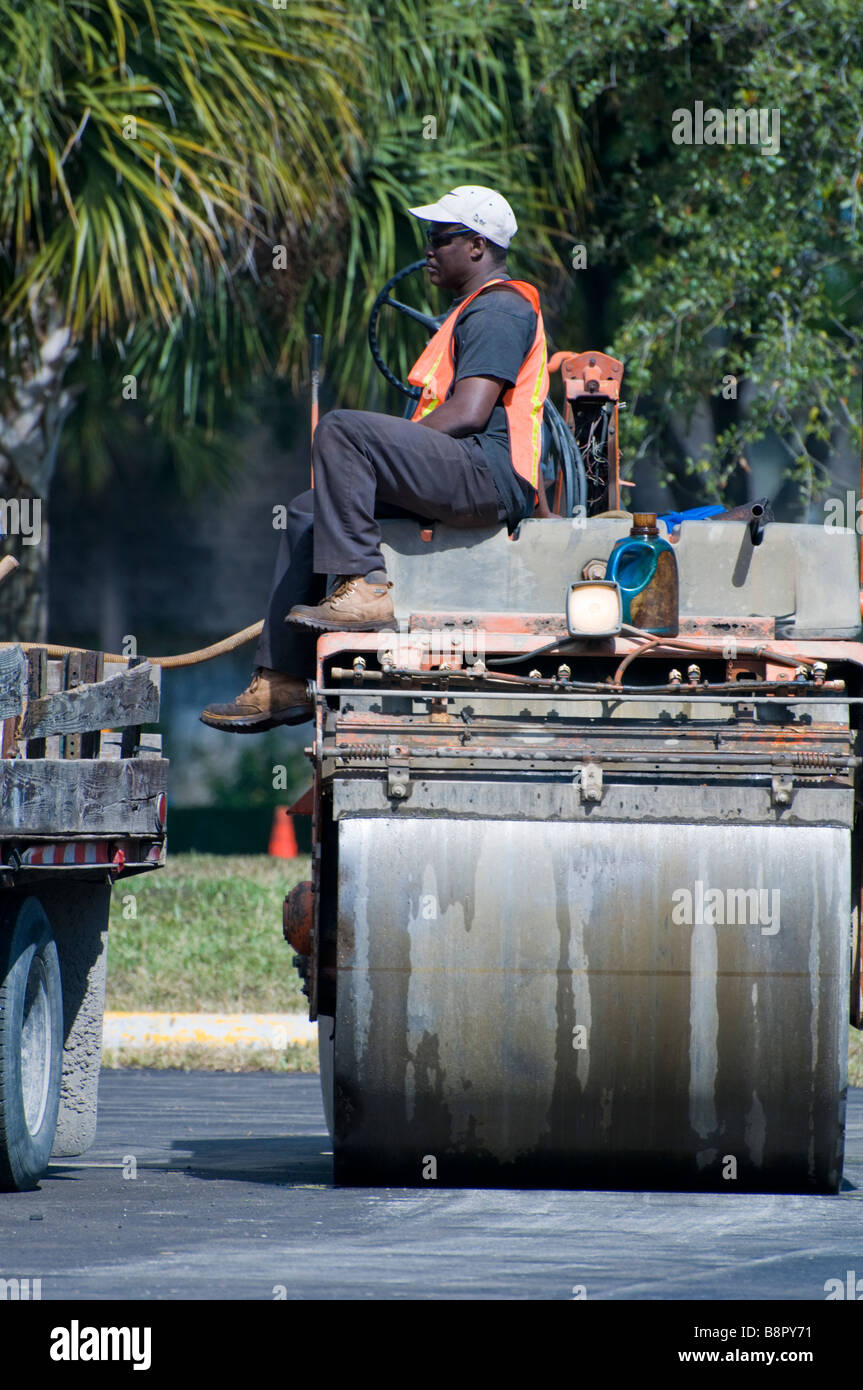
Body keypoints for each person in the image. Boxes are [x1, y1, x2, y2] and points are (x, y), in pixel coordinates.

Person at [201, 185, 548, 733]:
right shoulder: (469, 313)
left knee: (344, 431)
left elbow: (470, 411)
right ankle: (281, 681)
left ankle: (367, 587)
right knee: (310, 508)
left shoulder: (500, 309)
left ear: (478, 247)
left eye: (441, 238)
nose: (429, 249)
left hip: (489, 474)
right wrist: (379, 462)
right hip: (466, 468)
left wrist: (378, 453)